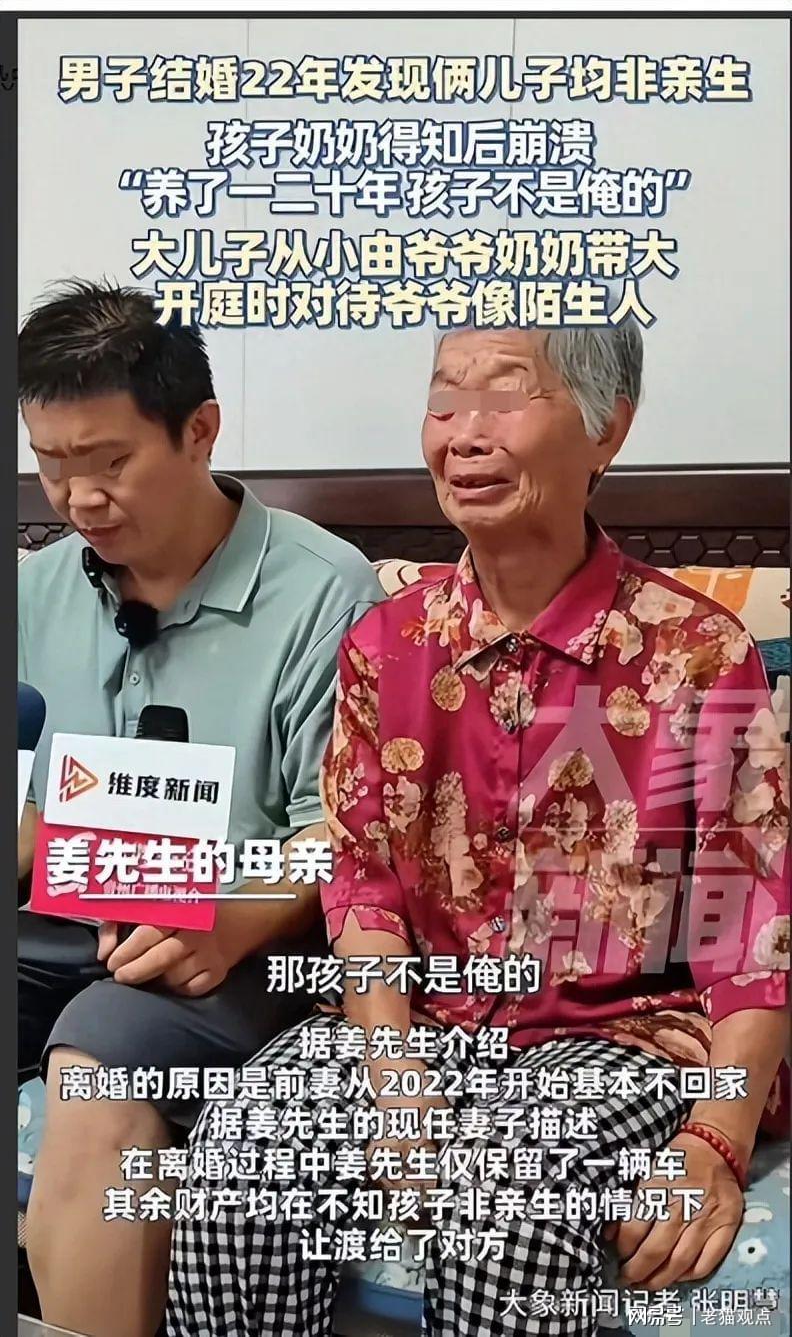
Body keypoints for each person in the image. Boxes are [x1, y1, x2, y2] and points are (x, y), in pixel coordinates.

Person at [168, 320, 789, 1336]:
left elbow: (756, 928)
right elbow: (363, 885)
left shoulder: (697, 649)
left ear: (607, 428)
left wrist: (714, 1140)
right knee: (243, 1150)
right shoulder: (385, 645)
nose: (464, 433)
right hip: (428, 1018)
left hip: (619, 1035)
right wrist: (392, 1071)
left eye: (506, 394)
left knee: (505, 1196)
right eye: (445, 399)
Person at [17, 279, 383, 1337]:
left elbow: (345, 835)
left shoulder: (326, 593)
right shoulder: (35, 590)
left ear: (200, 430)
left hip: (234, 943)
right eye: (51, 464)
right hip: (57, 920)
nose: (78, 499)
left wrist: (233, 920)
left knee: (96, 1063)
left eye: (109, 462)